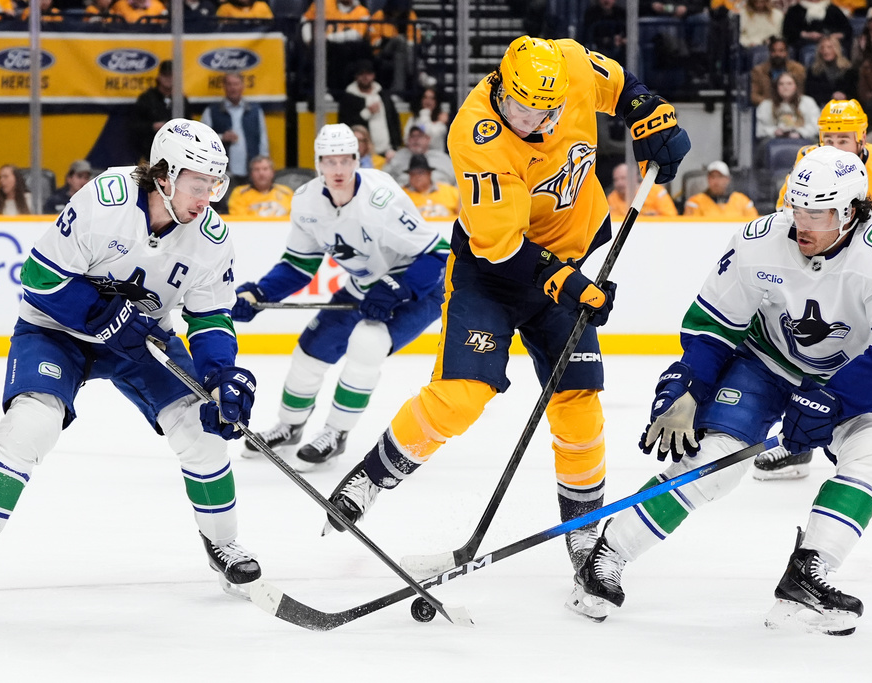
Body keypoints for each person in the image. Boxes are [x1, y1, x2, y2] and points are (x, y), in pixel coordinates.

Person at [321, 35, 690, 603]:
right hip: (492, 272)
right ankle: (374, 474)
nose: (538, 121)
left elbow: (618, 86)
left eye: (549, 110)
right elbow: (502, 248)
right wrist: (570, 286)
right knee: (463, 395)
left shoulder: (566, 65)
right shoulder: (476, 135)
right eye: (523, 109)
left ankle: (583, 528)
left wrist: (650, 115)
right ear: (501, 87)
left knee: (578, 398)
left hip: (567, 258)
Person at [572, 146, 872, 632]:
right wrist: (689, 385)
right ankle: (607, 553)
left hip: (845, 376)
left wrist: (833, 398)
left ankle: (807, 577)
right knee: (714, 463)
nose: (802, 224)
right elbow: (712, 326)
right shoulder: (760, 240)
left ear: (850, 212)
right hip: (766, 363)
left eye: (817, 213)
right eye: (797, 208)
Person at [0, 119, 263, 611]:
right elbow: (38, 278)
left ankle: (223, 544)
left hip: (140, 339)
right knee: (28, 427)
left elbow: (209, 315)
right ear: (165, 175)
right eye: (197, 182)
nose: (208, 195)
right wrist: (106, 316)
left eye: (214, 182)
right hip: (56, 331)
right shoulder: (106, 200)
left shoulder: (211, 236)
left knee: (202, 429)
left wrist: (221, 374)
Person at [231, 124, 448, 467]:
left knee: (367, 344)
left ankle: (336, 433)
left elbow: (438, 254)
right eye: (329, 162)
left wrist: (395, 289)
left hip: (421, 286)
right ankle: (289, 427)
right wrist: (261, 293)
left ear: (356, 160)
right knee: (309, 351)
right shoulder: (305, 201)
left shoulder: (382, 199)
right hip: (365, 286)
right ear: (318, 163)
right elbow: (299, 265)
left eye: (344, 161)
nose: (337, 170)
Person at [767, 99, 872, 499]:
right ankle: (798, 447)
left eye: (843, 138)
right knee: (801, 343)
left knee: (871, 354)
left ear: (861, 137)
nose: (834, 145)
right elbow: (788, 227)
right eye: (828, 137)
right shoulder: (808, 167)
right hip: (824, 268)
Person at [201, 71, 270, 197]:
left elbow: (262, 139)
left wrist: (263, 165)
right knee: (223, 205)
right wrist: (222, 137)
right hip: (223, 172)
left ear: (243, 86)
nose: (233, 88)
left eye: (236, 84)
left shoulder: (255, 110)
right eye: (229, 84)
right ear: (224, 87)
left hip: (251, 170)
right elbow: (202, 140)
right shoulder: (212, 111)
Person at [338, 60, 403, 158]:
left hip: (388, 152)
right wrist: (366, 113)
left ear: (373, 75)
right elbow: (345, 125)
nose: (365, 77)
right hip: (364, 156)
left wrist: (396, 145)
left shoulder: (383, 95)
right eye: (361, 74)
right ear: (356, 76)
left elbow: (394, 120)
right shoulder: (348, 98)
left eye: (368, 73)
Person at [129, 60, 190, 163]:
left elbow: (190, 124)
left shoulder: (181, 100)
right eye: (165, 75)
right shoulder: (146, 98)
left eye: (171, 75)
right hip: (149, 152)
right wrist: (152, 126)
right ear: (159, 77)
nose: (168, 79)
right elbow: (133, 125)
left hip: (176, 154)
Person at [382, 123, 455, 187]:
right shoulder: (398, 157)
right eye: (412, 136)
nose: (415, 140)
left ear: (428, 139)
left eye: (420, 136)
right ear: (407, 140)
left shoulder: (442, 158)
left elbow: (458, 180)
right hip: (407, 196)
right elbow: (383, 180)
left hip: (440, 197)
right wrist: (387, 163)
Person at [755, 72, 821, 143]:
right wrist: (774, 131)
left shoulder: (808, 102)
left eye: (789, 84)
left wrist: (800, 133)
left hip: (804, 140)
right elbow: (760, 131)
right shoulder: (766, 105)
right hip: (774, 141)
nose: (785, 87)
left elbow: (816, 126)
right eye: (781, 84)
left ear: (796, 86)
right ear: (776, 87)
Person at [683, 161, 757, 219]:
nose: (716, 181)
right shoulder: (695, 202)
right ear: (708, 179)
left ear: (728, 179)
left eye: (720, 176)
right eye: (712, 177)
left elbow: (753, 226)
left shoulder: (742, 201)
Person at [226, 155, 292, 217]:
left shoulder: (287, 192)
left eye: (265, 169)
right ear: (251, 174)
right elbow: (238, 220)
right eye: (257, 170)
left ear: (272, 172)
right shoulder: (239, 193)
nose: (261, 173)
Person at [606, 162, 678, 219]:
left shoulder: (655, 191)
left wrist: (652, 218)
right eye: (616, 179)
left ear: (635, 177)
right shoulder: (612, 198)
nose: (619, 183)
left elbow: (671, 217)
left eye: (623, 178)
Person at [750, 36, 807, 107]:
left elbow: (801, 92)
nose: (777, 54)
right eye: (774, 51)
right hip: (768, 108)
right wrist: (771, 104)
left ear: (786, 52)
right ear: (770, 53)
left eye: (781, 51)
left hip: (793, 107)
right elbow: (754, 96)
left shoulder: (798, 69)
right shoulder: (758, 71)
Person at [781, 0, 851, 56]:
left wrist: (834, 36)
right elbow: (787, 31)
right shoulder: (795, 10)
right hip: (805, 43)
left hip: (833, 41)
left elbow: (847, 30)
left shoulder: (833, 9)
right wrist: (806, 35)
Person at [804, 35, 857, 108]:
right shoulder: (813, 71)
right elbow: (810, 94)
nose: (825, 51)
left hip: (846, 107)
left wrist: (845, 96)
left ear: (836, 49)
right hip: (821, 107)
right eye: (822, 48)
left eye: (829, 47)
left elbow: (855, 93)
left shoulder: (849, 70)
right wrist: (831, 96)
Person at [402, 153, 459, 219]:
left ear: (429, 174)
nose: (417, 176)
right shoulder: (403, 195)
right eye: (413, 173)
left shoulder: (450, 191)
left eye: (420, 172)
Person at [401, 87, 449, 152]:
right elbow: (406, 139)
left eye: (432, 98)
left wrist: (425, 113)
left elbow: (433, 141)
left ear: (436, 102)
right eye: (425, 97)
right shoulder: (413, 119)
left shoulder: (441, 120)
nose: (428, 101)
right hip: (416, 156)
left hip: (436, 157)